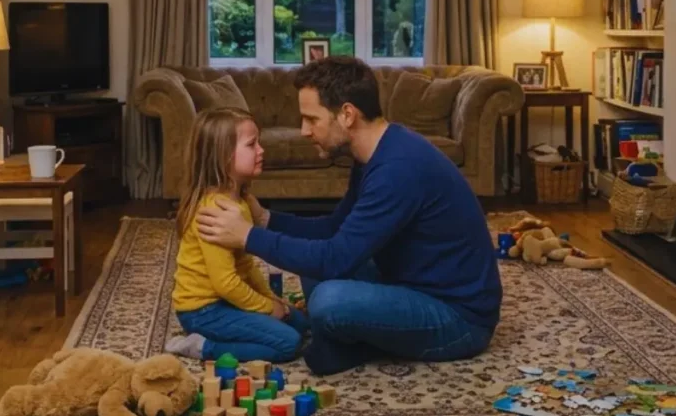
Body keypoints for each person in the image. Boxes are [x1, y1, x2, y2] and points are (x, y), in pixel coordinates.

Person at [195, 56, 502, 375]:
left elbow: (335, 260)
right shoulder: (375, 152)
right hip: (409, 282)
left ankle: (355, 344)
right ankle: (354, 340)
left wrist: (247, 237)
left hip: (459, 319)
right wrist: (265, 220)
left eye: (311, 119)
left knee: (329, 298)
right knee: (312, 261)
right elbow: (334, 229)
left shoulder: (396, 170)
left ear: (347, 114)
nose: (304, 131)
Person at [163, 107, 310, 363]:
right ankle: (204, 346)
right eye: (252, 144)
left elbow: (246, 266)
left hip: (227, 300)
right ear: (224, 156)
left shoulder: (242, 201)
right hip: (203, 310)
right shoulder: (214, 210)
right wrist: (268, 309)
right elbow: (226, 282)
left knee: (301, 323)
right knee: (288, 343)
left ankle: (243, 328)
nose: (261, 150)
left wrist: (272, 300)